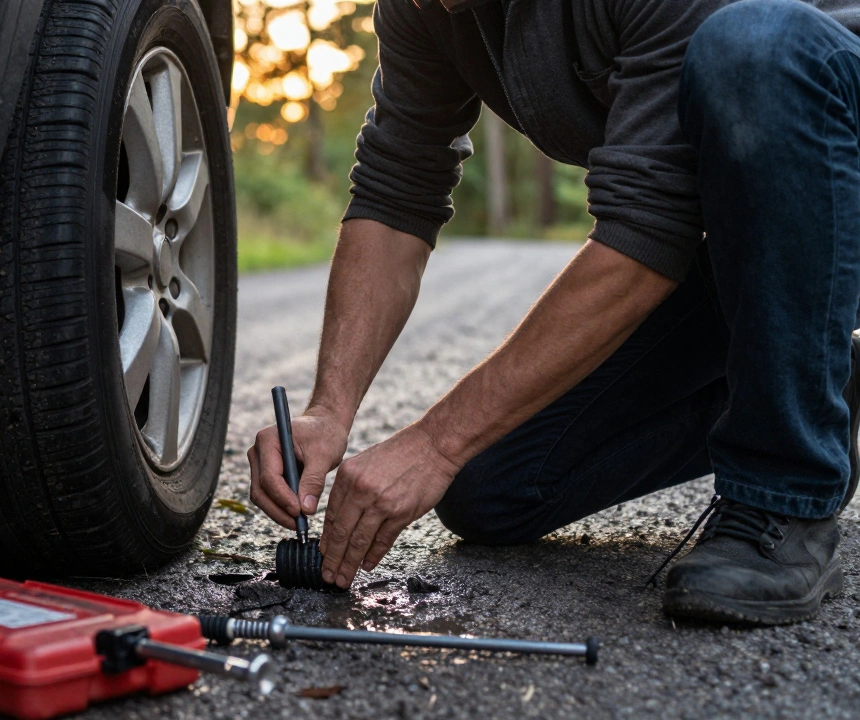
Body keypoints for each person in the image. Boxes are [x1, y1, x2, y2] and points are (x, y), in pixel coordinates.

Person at [247, 0, 860, 625]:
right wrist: (330, 409)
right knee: (492, 486)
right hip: (757, 242)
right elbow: (397, 187)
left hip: (838, 178)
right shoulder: (422, 8)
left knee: (758, 44)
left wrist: (432, 444)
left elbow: (648, 228)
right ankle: (814, 373)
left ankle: (787, 486)